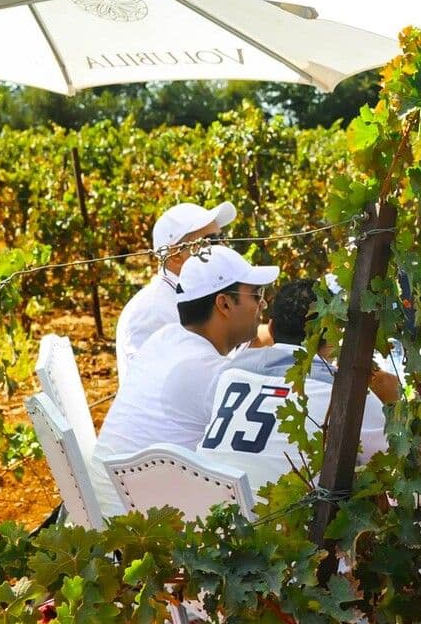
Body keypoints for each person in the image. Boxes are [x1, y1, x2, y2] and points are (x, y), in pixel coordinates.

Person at [94, 244, 279, 513]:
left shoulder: (164, 339)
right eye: (255, 294)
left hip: (112, 506)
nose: (262, 303)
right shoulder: (207, 373)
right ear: (224, 303)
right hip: (138, 525)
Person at [199, 278, 387, 490]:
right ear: (333, 332)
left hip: (211, 508)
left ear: (270, 328)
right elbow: (389, 465)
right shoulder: (350, 396)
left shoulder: (228, 375)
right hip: (287, 521)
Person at [114, 201, 236, 379]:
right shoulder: (150, 311)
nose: (224, 248)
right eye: (211, 242)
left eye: (221, 238)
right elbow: (150, 384)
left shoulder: (199, 296)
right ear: (176, 255)